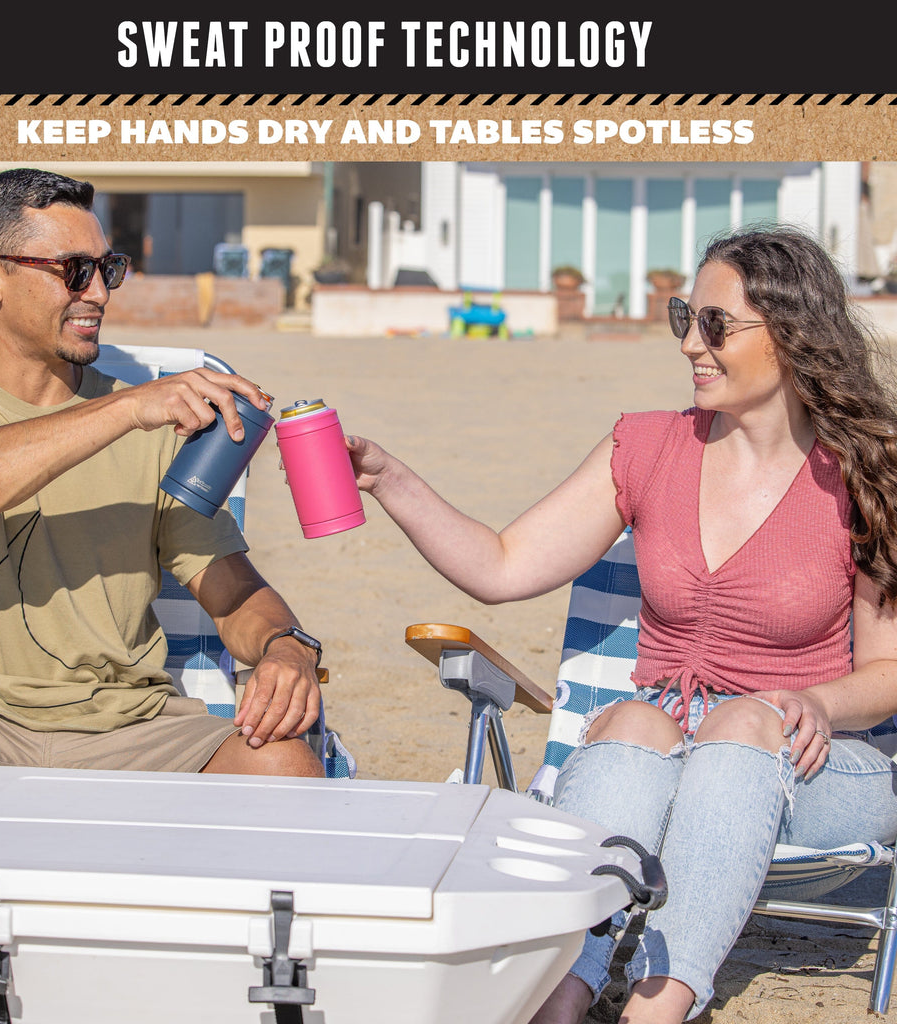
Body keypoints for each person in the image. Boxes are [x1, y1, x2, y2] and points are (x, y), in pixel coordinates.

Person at [345, 225, 897, 1023]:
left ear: (789, 334)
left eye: (715, 324)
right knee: (634, 721)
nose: (690, 344)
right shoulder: (646, 447)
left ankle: (656, 1007)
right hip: (673, 751)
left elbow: (887, 672)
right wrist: (389, 479)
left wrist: (816, 701)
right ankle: (560, 996)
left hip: (816, 766)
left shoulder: (864, 474)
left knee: (744, 721)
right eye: (684, 318)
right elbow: (503, 565)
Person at [0, 167, 325, 790]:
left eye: (106, 269)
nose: (99, 294)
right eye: (73, 271)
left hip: (128, 729)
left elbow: (234, 594)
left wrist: (287, 647)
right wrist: (127, 407)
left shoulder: (157, 433)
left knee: (286, 762)